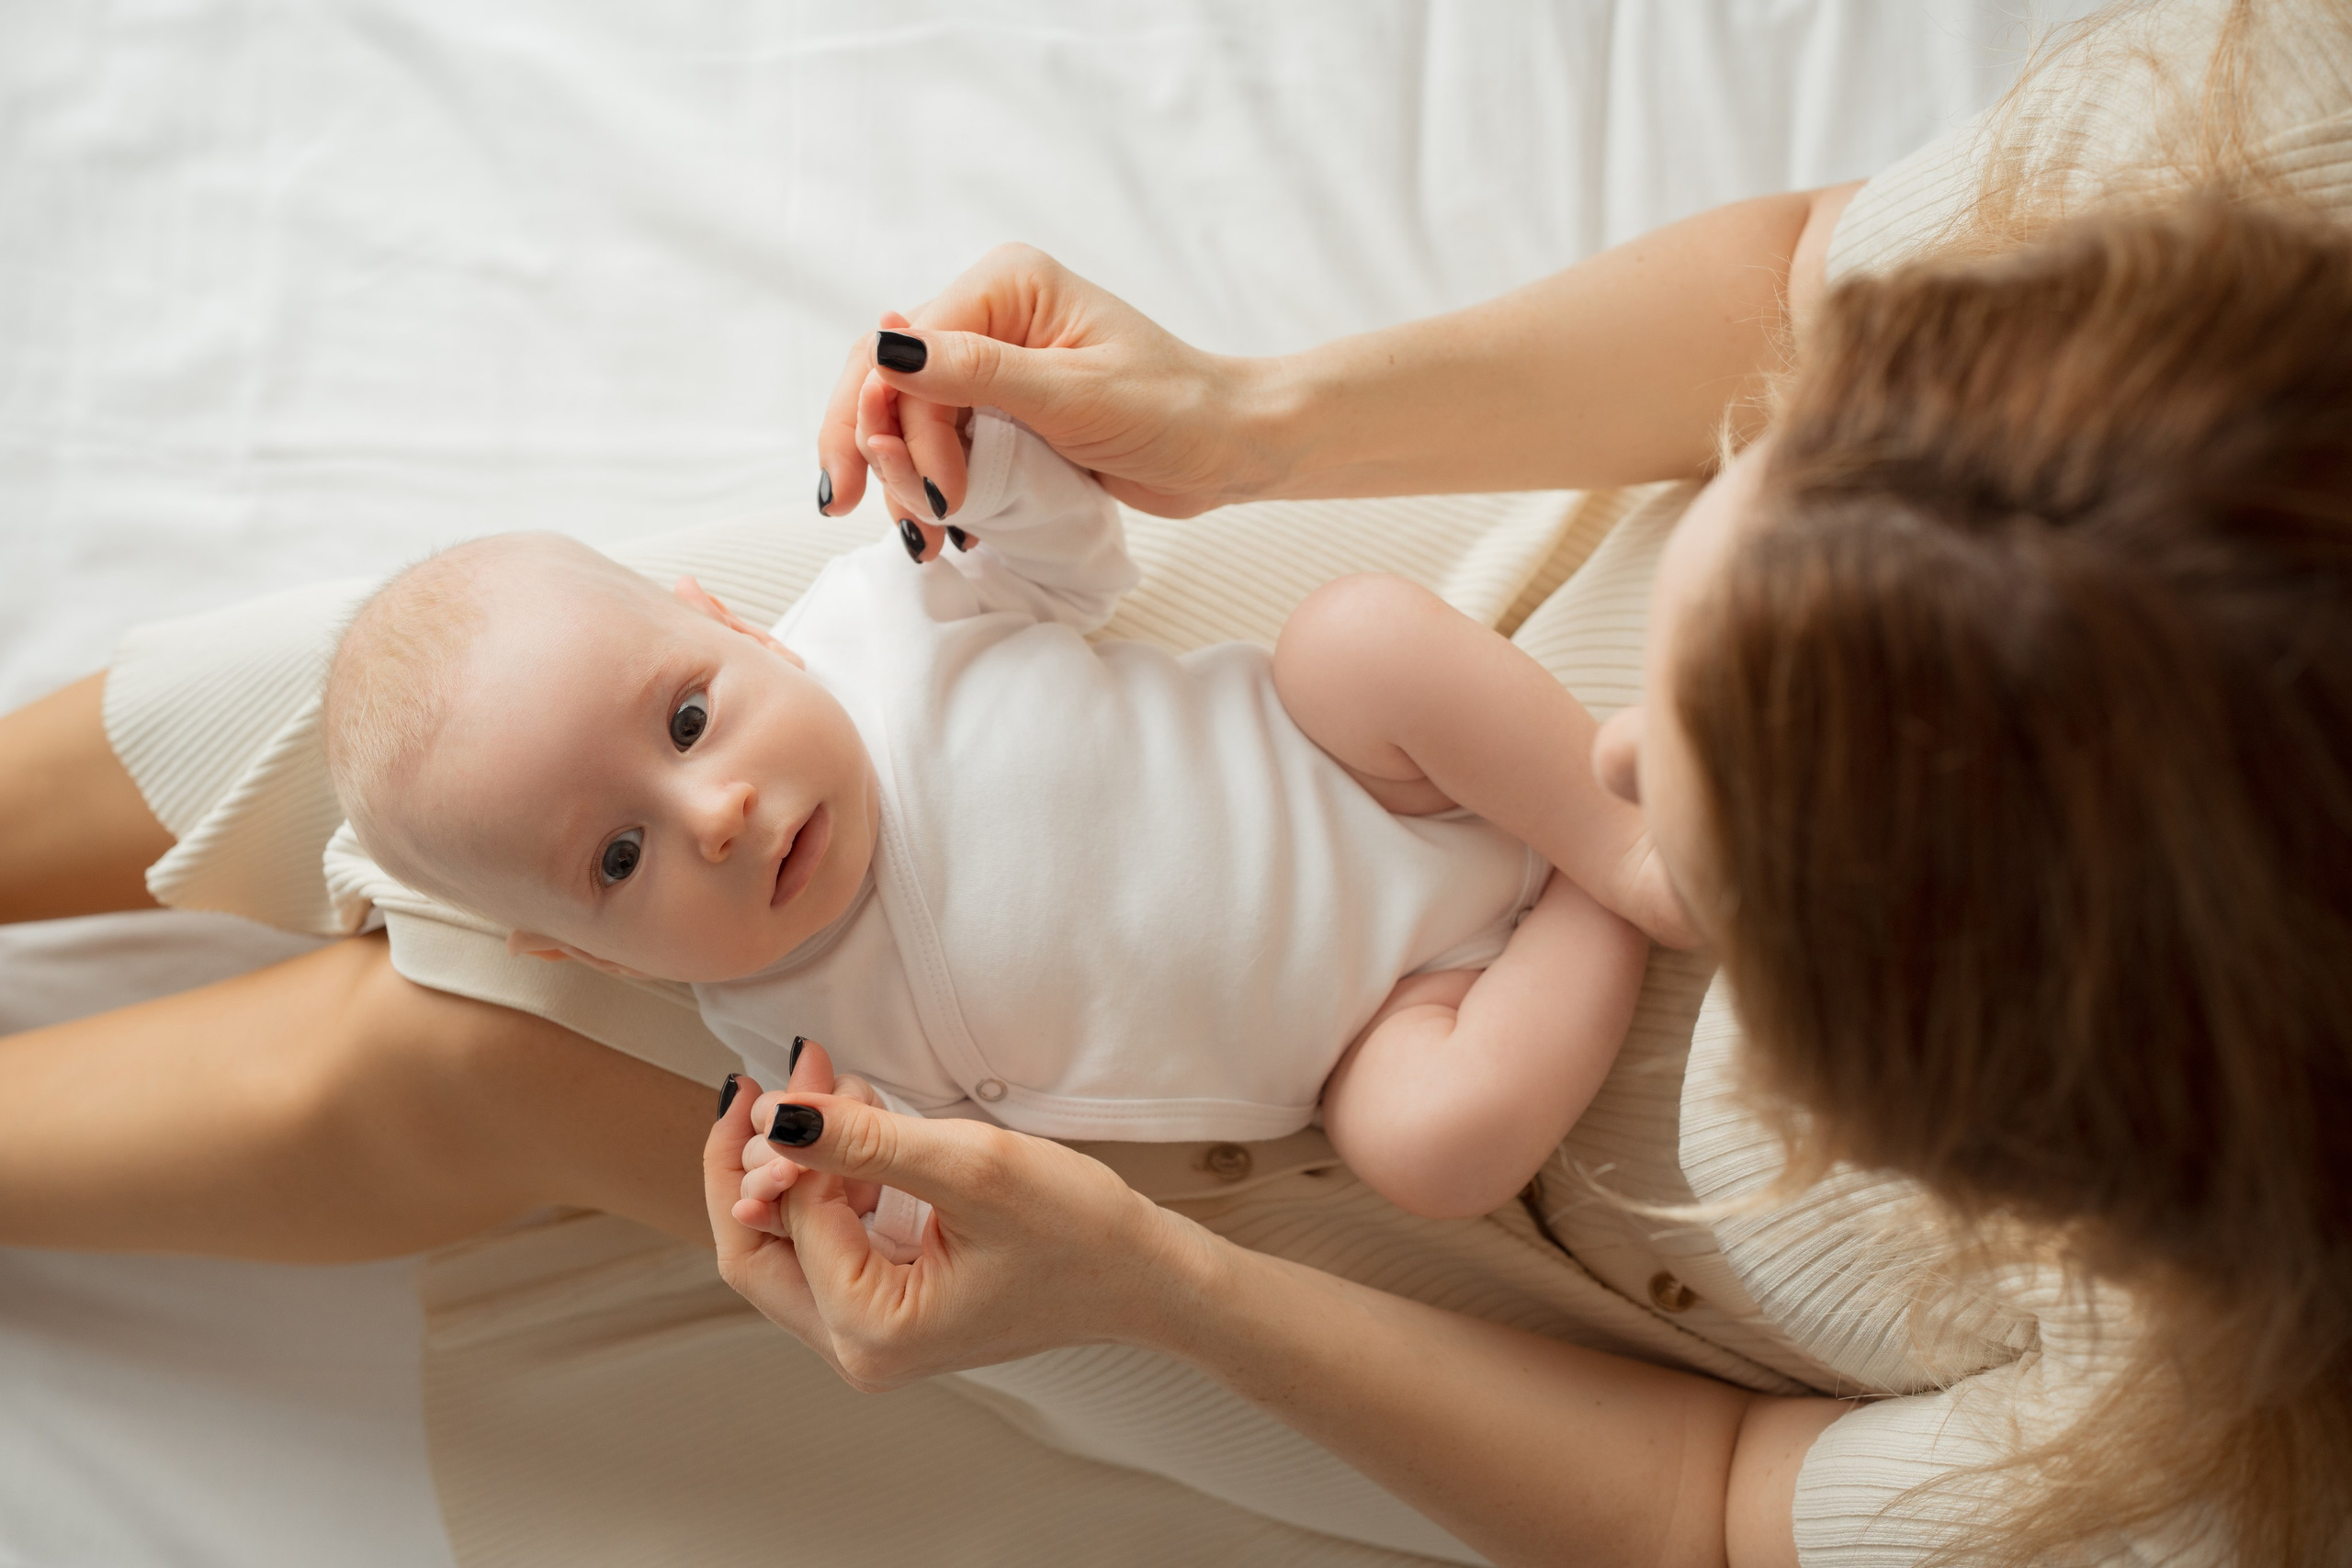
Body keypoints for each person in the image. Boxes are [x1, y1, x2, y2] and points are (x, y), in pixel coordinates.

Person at [1, 2, 2344, 1561]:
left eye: (1680, 805)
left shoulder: (2181, 1444)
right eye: (1786, 471)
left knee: (481, 1055)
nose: (1604, 746)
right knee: (444, 723)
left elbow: (1715, 1505)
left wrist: (1138, 1272)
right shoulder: (2275, 156)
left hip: (1424, 1222)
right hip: (1352, 711)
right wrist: (1238, 426)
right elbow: (1804, 279)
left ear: (1965, 1104)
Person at [318, 411, 1672, 1224]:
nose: (714, 814)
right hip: (1382, 1022)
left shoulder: (880, 614)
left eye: (686, 719)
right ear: (593, 957)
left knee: (1355, 636)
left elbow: (1071, 561)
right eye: (619, 859)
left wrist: (978, 462)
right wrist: (849, 1204)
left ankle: (1625, 842)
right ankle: (1597, 907)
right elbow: (941, 1195)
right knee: (1433, 1149)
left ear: (736, 627)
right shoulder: (793, 1057)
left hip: (1367, 763)